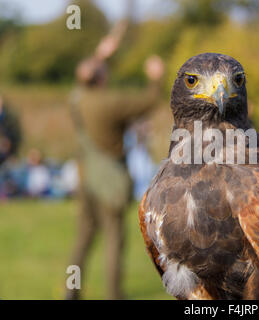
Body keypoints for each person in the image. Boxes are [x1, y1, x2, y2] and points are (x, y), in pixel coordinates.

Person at [66, 29, 165, 299]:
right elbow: (148, 101)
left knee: (83, 238)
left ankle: (70, 292)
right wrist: (156, 78)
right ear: (102, 78)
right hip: (110, 183)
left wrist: (100, 54)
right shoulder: (111, 102)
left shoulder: (77, 99)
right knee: (113, 241)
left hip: (85, 178)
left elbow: (85, 76)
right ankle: (114, 294)